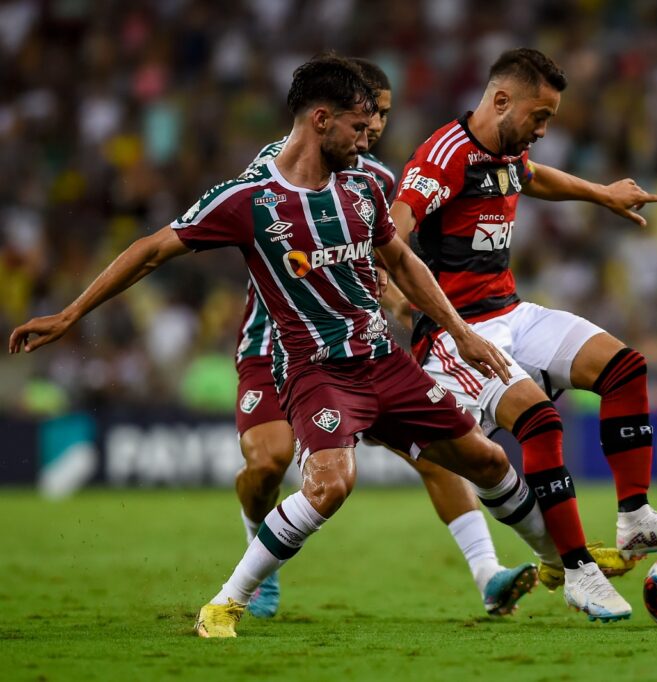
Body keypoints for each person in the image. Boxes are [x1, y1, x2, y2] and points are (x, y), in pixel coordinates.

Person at [8, 54, 599, 637]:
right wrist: (71, 313)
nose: (370, 140)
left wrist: (459, 333)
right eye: (361, 125)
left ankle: (568, 567)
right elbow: (152, 248)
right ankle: (227, 601)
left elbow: (401, 261)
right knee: (315, 479)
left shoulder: (368, 183)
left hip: (380, 358)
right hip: (309, 365)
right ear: (321, 120)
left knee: (487, 460)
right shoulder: (251, 198)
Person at [231, 58, 566, 620]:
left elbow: (398, 261)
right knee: (269, 463)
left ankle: (487, 574)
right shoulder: (276, 167)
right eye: (371, 113)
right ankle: (253, 544)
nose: (378, 126)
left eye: (384, 114)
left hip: (359, 350)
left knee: (441, 455)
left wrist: (419, 312)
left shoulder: (378, 181)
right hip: (275, 346)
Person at [389, 47, 657, 621]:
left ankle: (635, 517)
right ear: (501, 100)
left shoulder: (510, 151)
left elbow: (534, 178)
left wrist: (602, 193)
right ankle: (579, 573)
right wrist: (398, 293)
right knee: (540, 421)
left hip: (511, 311)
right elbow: (394, 229)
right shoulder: (443, 156)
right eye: (540, 116)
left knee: (624, 368)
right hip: (454, 332)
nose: (543, 129)